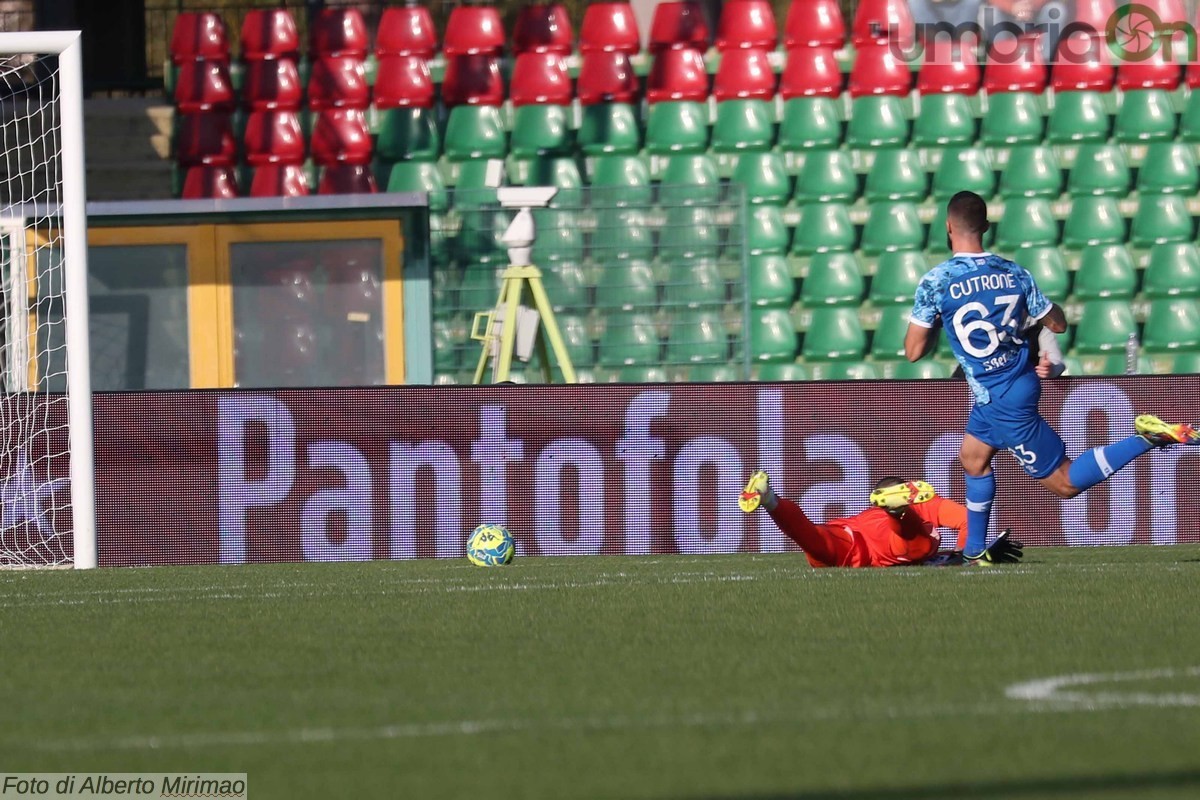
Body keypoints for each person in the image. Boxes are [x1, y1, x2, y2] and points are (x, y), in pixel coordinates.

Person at [903, 191, 1200, 562]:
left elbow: (913, 352)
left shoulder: (937, 281)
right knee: (973, 458)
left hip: (998, 395)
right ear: (987, 227)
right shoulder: (1015, 273)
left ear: (947, 227)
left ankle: (1149, 438)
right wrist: (1038, 309)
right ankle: (975, 550)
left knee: (1065, 482)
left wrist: (937, 320)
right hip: (1012, 382)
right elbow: (1056, 324)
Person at [738, 472, 1023, 568]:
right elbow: (966, 520)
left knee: (812, 538)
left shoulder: (866, 513)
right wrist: (968, 557)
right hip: (883, 546)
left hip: (850, 533)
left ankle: (771, 500)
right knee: (918, 546)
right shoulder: (929, 504)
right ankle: (899, 512)